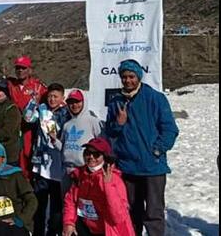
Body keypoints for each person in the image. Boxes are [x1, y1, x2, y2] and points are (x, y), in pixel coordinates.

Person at [105, 59, 179, 236]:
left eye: (131, 76)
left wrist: (157, 150)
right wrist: (118, 123)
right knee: (131, 211)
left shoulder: (155, 98)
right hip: (128, 167)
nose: (128, 80)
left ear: (139, 76)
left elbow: (170, 129)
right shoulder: (115, 101)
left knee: (154, 213)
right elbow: (109, 132)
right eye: (124, 77)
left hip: (152, 167)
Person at [63, 137, 135, 236]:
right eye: (88, 153)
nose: (91, 157)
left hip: (110, 231)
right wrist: (69, 222)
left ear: (104, 157)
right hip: (87, 228)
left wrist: (108, 186)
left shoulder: (114, 179)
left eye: (96, 154)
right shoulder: (80, 175)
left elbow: (117, 217)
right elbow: (71, 201)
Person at [24, 83, 71, 236]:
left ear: (62, 98)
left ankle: (53, 232)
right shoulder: (42, 109)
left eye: (55, 97)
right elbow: (28, 118)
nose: (52, 99)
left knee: (57, 207)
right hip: (41, 165)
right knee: (40, 204)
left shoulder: (66, 114)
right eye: (50, 96)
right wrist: (34, 102)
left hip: (58, 166)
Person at [7, 56, 48, 180]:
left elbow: (53, 100)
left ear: (29, 70)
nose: (20, 71)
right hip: (14, 130)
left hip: (30, 131)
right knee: (14, 161)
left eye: (23, 68)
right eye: (18, 68)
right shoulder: (10, 84)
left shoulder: (38, 87)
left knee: (28, 158)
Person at [57, 89, 103, 194]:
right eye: (71, 103)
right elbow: (63, 147)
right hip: (67, 171)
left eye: (77, 102)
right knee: (67, 203)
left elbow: (101, 144)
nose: (74, 105)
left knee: (83, 202)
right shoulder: (67, 125)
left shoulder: (93, 121)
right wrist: (54, 140)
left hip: (84, 170)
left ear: (84, 102)